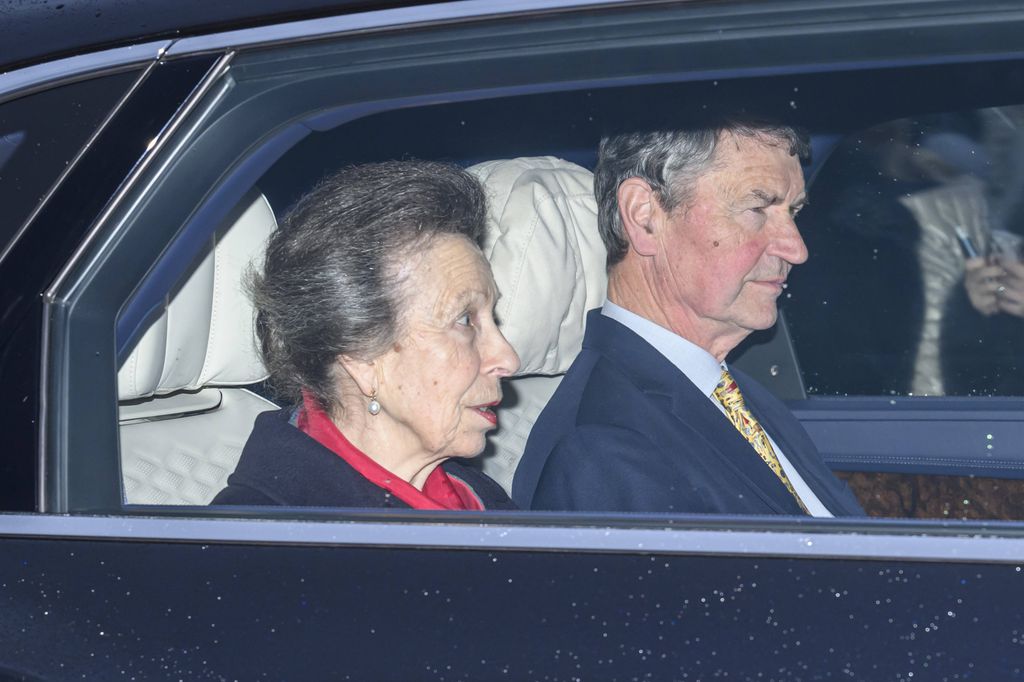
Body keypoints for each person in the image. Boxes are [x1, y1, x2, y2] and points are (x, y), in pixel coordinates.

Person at [517, 120, 863, 515]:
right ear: (644, 216)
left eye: (793, 212)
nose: (796, 249)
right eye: (757, 208)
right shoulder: (601, 447)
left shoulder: (739, 395)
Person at [212, 161, 520, 509]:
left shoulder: (478, 498)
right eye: (465, 320)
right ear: (362, 358)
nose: (508, 358)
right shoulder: (261, 545)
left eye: (491, 317)